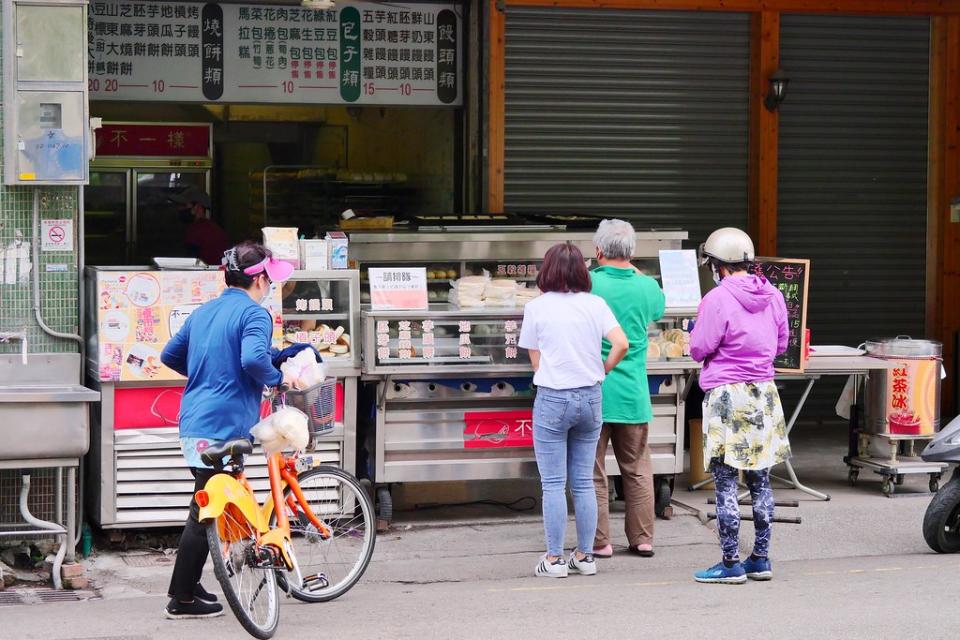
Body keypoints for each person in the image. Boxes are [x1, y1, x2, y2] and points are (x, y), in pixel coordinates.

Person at [160, 241, 294, 619]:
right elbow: (252, 358)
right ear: (261, 278)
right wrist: (277, 378)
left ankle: (188, 588)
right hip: (226, 423)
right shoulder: (254, 313)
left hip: (193, 420)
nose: (270, 287)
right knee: (203, 510)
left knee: (205, 503)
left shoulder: (206, 311)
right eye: (270, 280)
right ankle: (182, 598)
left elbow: (170, 355)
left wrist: (210, 376)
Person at [518, 242, 629, 578]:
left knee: (553, 483)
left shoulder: (537, 307)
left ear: (547, 271)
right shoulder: (595, 304)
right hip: (591, 396)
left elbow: (535, 359)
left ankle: (553, 560)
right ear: (582, 270)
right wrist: (604, 369)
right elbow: (622, 343)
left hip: (553, 397)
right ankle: (584, 557)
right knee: (583, 481)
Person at [689, 227, 791, 584]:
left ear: (719, 265)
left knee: (726, 480)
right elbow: (781, 344)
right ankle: (760, 558)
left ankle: (730, 563)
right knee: (761, 478)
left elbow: (699, 347)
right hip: (764, 393)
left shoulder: (716, 299)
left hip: (727, 395)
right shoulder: (774, 296)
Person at [589, 219, 665, 558]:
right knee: (636, 468)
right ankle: (642, 538)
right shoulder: (648, 287)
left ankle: (600, 541)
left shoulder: (588, 284)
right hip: (633, 392)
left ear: (598, 250)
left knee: (592, 471)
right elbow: (659, 312)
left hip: (594, 389)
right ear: (632, 251)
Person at [170, 187, 230, 266]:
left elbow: (191, 262)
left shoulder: (199, 230)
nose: (179, 208)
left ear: (197, 207)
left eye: (184, 205)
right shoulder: (210, 228)